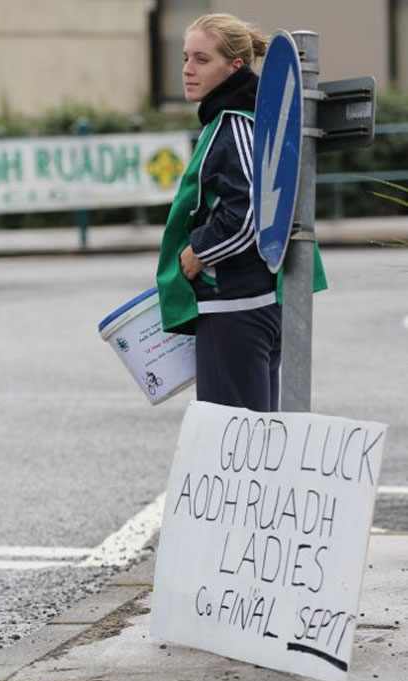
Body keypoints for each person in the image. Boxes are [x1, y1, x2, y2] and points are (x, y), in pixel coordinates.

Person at [156, 13, 325, 412]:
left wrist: (199, 252)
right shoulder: (244, 117)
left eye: (201, 59)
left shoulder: (235, 122)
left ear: (235, 67)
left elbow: (253, 212)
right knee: (252, 438)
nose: (187, 69)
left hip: (236, 305)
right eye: (185, 58)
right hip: (248, 302)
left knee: (236, 445)